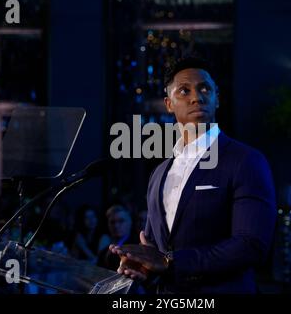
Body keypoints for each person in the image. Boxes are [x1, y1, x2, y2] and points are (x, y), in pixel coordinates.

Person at [110, 57, 277, 293]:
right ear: (169, 104)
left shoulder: (246, 161)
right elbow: (157, 248)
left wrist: (170, 262)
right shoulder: (159, 173)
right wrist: (144, 267)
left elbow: (252, 245)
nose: (196, 97)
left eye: (204, 89)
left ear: (217, 98)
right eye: (184, 90)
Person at [97, 205, 137, 271]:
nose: (116, 226)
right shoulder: (104, 252)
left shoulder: (137, 247)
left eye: (121, 221)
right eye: (112, 222)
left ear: (130, 222)